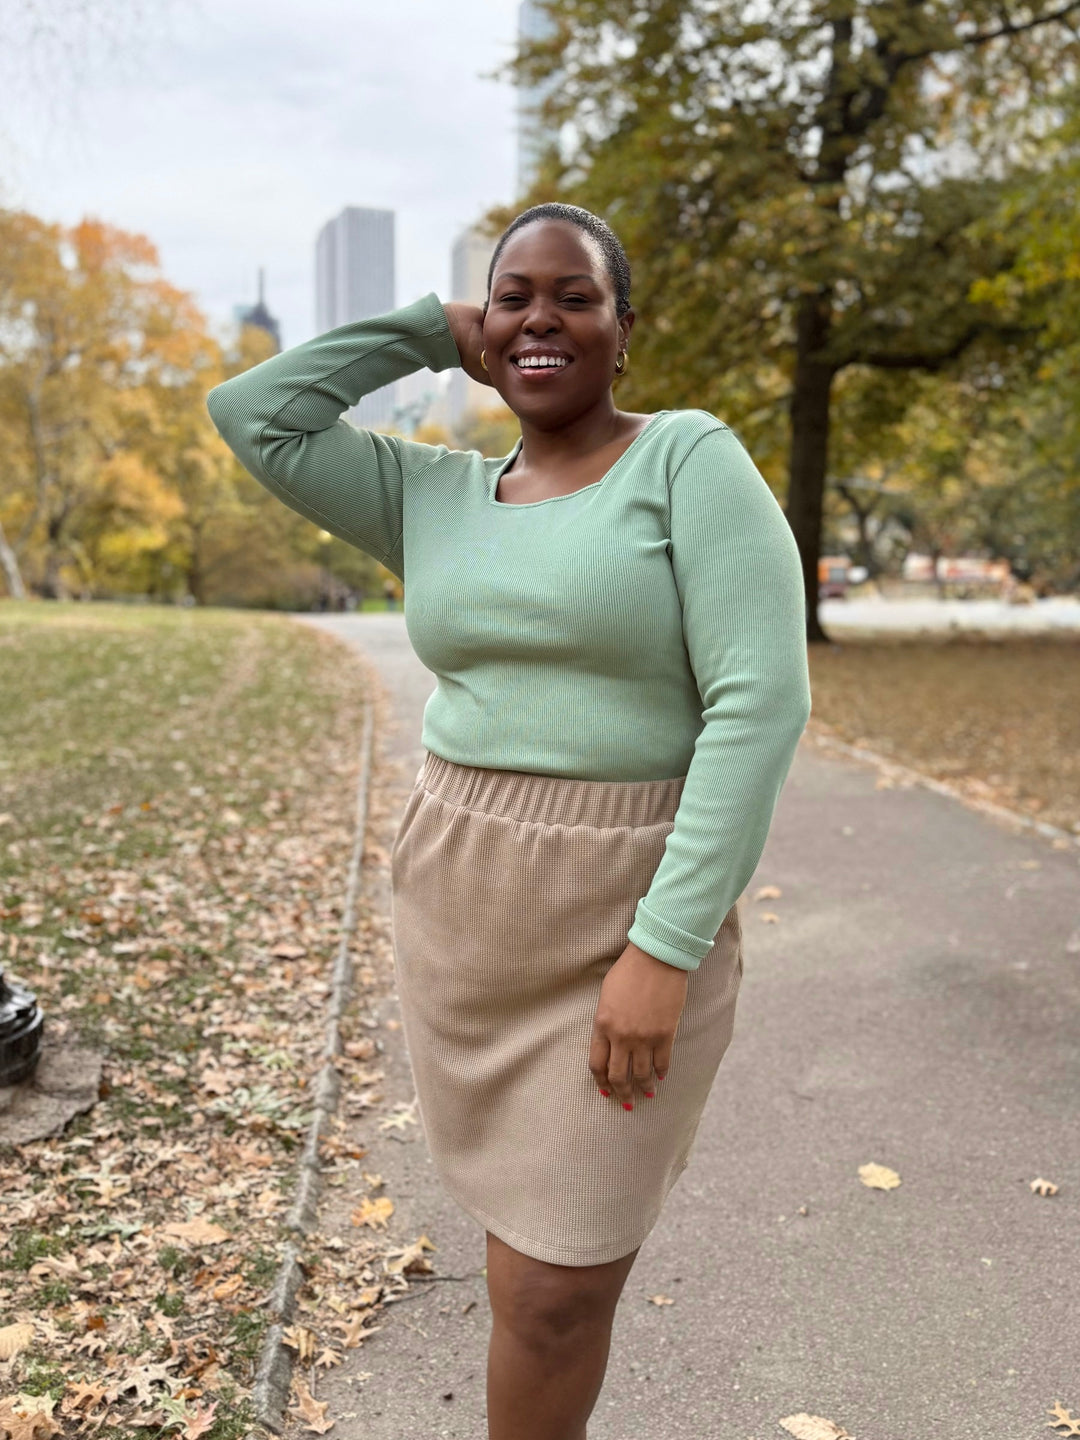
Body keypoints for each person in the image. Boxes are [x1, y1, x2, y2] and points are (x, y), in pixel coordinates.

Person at [207, 202, 811, 1440]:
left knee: (551, 1289)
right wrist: (431, 329)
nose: (541, 318)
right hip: (463, 918)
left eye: (575, 296)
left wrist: (666, 947)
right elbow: (252, 414)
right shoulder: (428, 494)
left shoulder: (687, 460)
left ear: (624, 331)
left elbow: (760, 706)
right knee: (516, 1263)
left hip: (622, 925)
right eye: (512, 296)